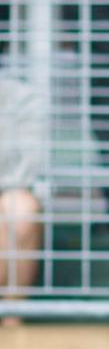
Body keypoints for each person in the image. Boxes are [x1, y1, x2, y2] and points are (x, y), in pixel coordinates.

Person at [0, 78, 43, 326]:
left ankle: (11, 321)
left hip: (6, 193)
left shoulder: (21, 97)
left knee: (22, 208)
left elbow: (24, 169)